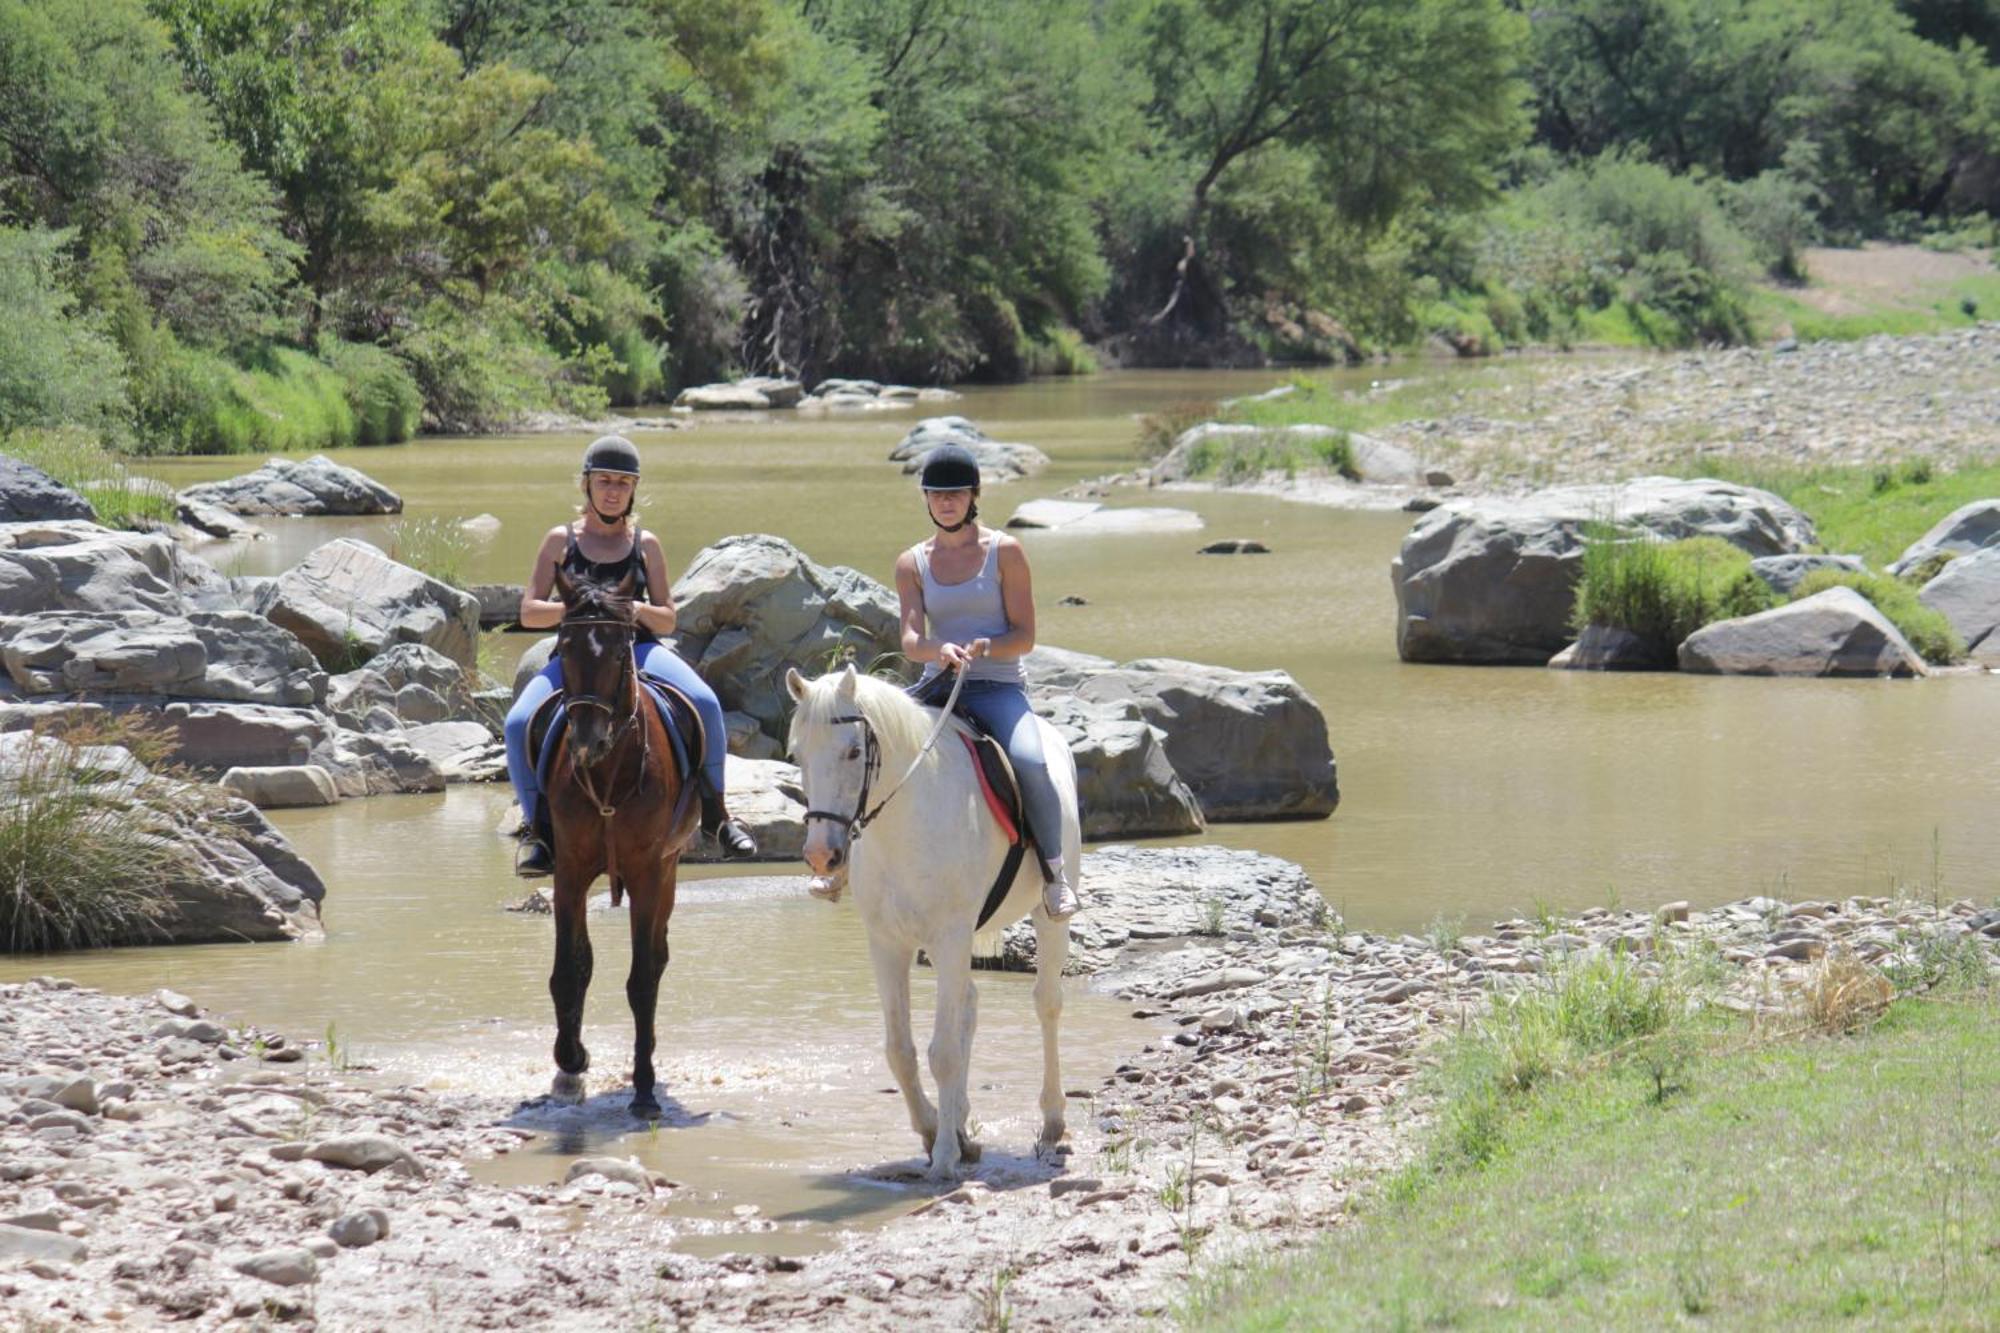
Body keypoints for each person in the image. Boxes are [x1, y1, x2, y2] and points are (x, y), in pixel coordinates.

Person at [504, 435, 756, 876]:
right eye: (604, 481)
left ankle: (717, 815)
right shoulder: (560, 540)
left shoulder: (646, 544)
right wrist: (584, 611)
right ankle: (537, 829)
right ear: (586, 484)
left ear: (633, 489)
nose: (613, 491)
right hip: (580, 656)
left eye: (623, 482)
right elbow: (529, 611)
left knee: (706, 703)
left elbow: (668, 619)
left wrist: (634, 609)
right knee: (519, 722)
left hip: (638, 649)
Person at [873, 442, 1078, 919]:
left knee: (1029, 759)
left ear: (973, 496)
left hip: (997, 688)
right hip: (937, 687)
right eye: (937, 495)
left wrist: (987, 645)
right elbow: (909, 639)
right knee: (868, 747)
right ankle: (842, 864)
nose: (947, 502)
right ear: (925, 499)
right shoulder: (912, 562)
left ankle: (1053, 873)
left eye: (956, 494)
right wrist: (938, 651)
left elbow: (1026, 636)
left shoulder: (1005, 552)